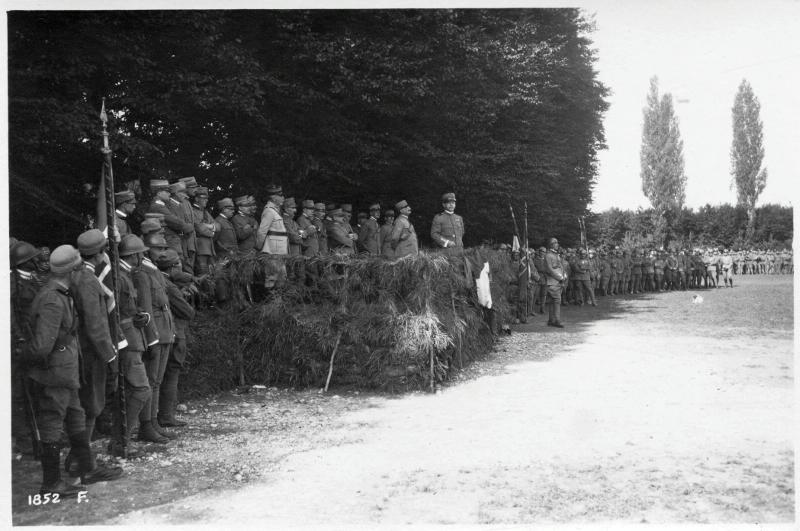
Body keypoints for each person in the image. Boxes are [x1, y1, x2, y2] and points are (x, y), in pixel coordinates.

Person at [26, 246, 99, 496]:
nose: (81, 271)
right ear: (72, 271)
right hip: (55, 373)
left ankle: (85, 468)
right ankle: (51, 482)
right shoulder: (52, 299)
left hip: (66, 371)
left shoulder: (61, 292)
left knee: (76, 415)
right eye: (79, 268)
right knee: (52, 423)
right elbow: (42, 346)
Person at [69, 230, 124, 482]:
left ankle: (78, 457)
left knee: (87, 403)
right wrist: (110, 354)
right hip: (91, 352)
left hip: (82, 350)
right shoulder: (88, 280)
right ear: (101, 253)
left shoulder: (76, 274)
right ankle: (84, 464)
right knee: (91, 405)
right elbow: (95, 324)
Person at [111, 235, 154, 457]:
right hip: (127, 340)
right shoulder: (119, 276)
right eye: (141, 253)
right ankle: (121, 443)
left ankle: (119, 441)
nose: (143, 256)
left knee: (131, 390)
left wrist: (141, 316)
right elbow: (113, 312)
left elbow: (128, 308)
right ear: (135, 255)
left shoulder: (124, 274)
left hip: (131, 336)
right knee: (140, 389)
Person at [10, 241, 44, 455]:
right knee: (20, 394)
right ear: (27, 262)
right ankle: (25, 440)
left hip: (34, 342)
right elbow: (11, 317)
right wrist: (19, 340)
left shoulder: (32, 280)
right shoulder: (14, 284)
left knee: (35, 390)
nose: (38, 261)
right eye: (35, 258)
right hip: (21, 345)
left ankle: (36, 436)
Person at [155, 249, 196, 428]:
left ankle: (159, 416)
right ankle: (166, 416)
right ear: (172, 268)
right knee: (171, 375)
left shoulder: (158, 280)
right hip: (175, 334)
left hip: (162, 334)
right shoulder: (170, 287)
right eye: (178, 265)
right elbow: (188, 312)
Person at [148, 179, 193, 260]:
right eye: (166, 191)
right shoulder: (157, 206)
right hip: (169, 239)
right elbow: (172, 220)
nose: (169, 193)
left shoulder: (161, 205)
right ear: (158, 193)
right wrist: (188, 226)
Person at [256, 184, 288, 255]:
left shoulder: (276, 210)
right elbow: (262, 231)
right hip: (272, 251)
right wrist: (259, 247)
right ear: (273, 198)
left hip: (279, 250)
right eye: (280, 196)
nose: (283, 198)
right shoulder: (269, 211)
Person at [191, 186, 216, 276]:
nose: (206, 200)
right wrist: (212, 232)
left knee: (213, 276)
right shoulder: (192, 211)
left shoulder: (206, 212)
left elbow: (217, 225)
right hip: (200, 248)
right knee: (203, 276)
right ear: (197, 199)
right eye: (203, 198)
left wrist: (209, 226)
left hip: (210, 249)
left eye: (206, 198)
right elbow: (200, 229)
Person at [542, 238, 565, 327]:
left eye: (557, 243)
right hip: (552, 281)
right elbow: (550, 269)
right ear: (551, 244)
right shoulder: (548, 255)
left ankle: (551, 320)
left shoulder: (556, 255)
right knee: (557, 301)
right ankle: (557, 321)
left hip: (557, 281)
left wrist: (564, 274)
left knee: (552, 301)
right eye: (555, 243)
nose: (557, 244)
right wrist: (560, 277)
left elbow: (560, 266)